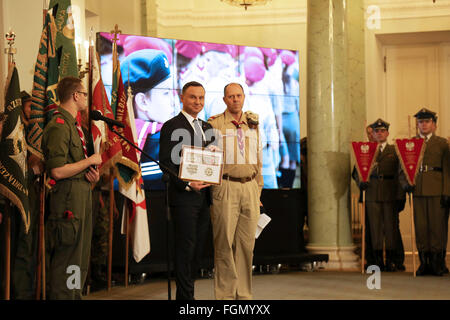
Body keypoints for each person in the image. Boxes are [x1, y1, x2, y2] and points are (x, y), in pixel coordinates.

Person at [42, 76, 102, 299]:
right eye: (85, 94)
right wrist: (89, 161)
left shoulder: (74, 125)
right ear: (76, 96)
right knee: (67, 259)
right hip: (67, 201)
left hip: (81, 195)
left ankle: (74, 295)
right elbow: (56, 171)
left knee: (78, 258)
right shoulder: (59, 125)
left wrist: (91, 175)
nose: (87, 98)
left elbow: (73, 166)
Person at [159, 81, 215, 300]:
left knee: (198, 250)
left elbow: (211, 163)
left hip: (204, 198)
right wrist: (186, 183)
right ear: (182, 97)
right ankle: (185, 299)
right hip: (183, 197)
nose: (198, 102)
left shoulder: (208, 127)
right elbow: (165, 164)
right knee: (185, 249)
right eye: (193, 97)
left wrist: (214, 157)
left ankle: (188, 294)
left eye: (201, 98)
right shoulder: (171, 125)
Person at [208, 82, 263, 300]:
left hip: (250, 187)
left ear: (244, 97)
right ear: (224, 100)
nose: (235, 99)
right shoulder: (215, 124)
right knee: (223, 245)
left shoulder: (253, 123)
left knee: (247, 246)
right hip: (226, 186)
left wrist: (258, 190)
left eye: (239, 95)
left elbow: (258, 158)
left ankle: (245, 295)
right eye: (231, 96)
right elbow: (209, 159)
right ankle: (225, 296)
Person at [400, 108, 449, 276]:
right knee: (421, 228)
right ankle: (424, 261)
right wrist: (406, 184)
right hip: (418, 189)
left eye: (427, 121)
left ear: (434, 125)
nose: (424, 124)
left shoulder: (443, 144)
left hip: (437, 189)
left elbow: (448, 170)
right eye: (421, 122)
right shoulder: (410, 143)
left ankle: (438, 262)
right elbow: (402, 167)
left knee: (437, 227)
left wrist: (447, 191)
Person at [120, 48, 175, 189]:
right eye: (165, 93)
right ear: (143, 102)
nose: (173, 101)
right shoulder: (160, 140)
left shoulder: (120, 136)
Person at [355, 119, 403, 271]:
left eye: (382, 131)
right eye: (376, 131)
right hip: (372, 193)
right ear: (372, 134)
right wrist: (360, 181)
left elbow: (401, 173)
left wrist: (400, 195)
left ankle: (391, 260)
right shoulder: (365, 150)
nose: (379, 133)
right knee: (374, 229)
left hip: (390, 194)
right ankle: (376, 261)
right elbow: (356, 170)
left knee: (391, 228)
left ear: (387, 133)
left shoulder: (395, 151)